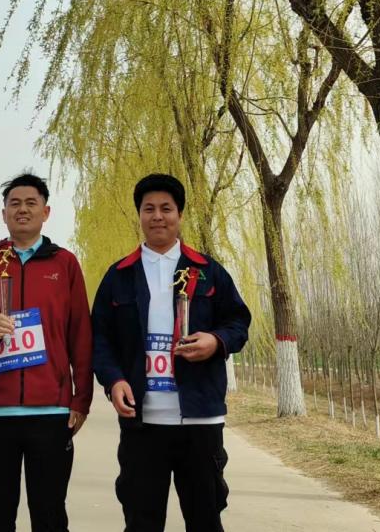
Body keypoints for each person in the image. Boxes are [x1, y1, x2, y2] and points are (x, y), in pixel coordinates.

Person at [90, 173, 251, 532]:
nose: (158, 216)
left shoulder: (208, 272)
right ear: (139, 215)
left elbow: (238, 322)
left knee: (205, 519)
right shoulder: (119, 275)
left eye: (166, 208)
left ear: (180, 215)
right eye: (149, 209)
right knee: (141, 521)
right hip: (143, 423)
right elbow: (100, 338)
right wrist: (114, 380)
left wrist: (216, 341)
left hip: (200, 420)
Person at [0, 172, 93, 532]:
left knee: (49, 515)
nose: (22, 210)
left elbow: (81, 334)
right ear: (3, 213)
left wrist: (81, 399)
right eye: (14, 203)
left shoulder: (64, 264)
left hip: (51, 412)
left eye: (31, 203)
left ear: (45, 212)